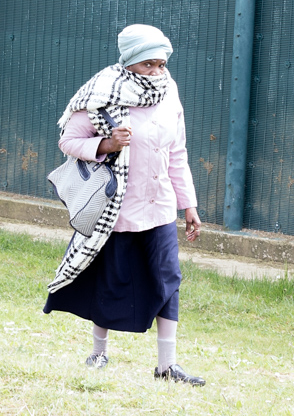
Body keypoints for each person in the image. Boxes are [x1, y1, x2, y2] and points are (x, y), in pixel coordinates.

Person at [43, 24, 206, 385]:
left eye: (162, 64)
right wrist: (105, 145)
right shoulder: (104, 92)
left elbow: (177, 152)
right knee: (110, 278)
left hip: (160, 205)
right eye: (148, 64)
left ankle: (167, 366)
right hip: (116, 206)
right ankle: (98, 353)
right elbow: (68, 140)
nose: (157, 72)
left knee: (168, 279)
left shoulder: (168, 91)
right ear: (130, 61)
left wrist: (188, 205)